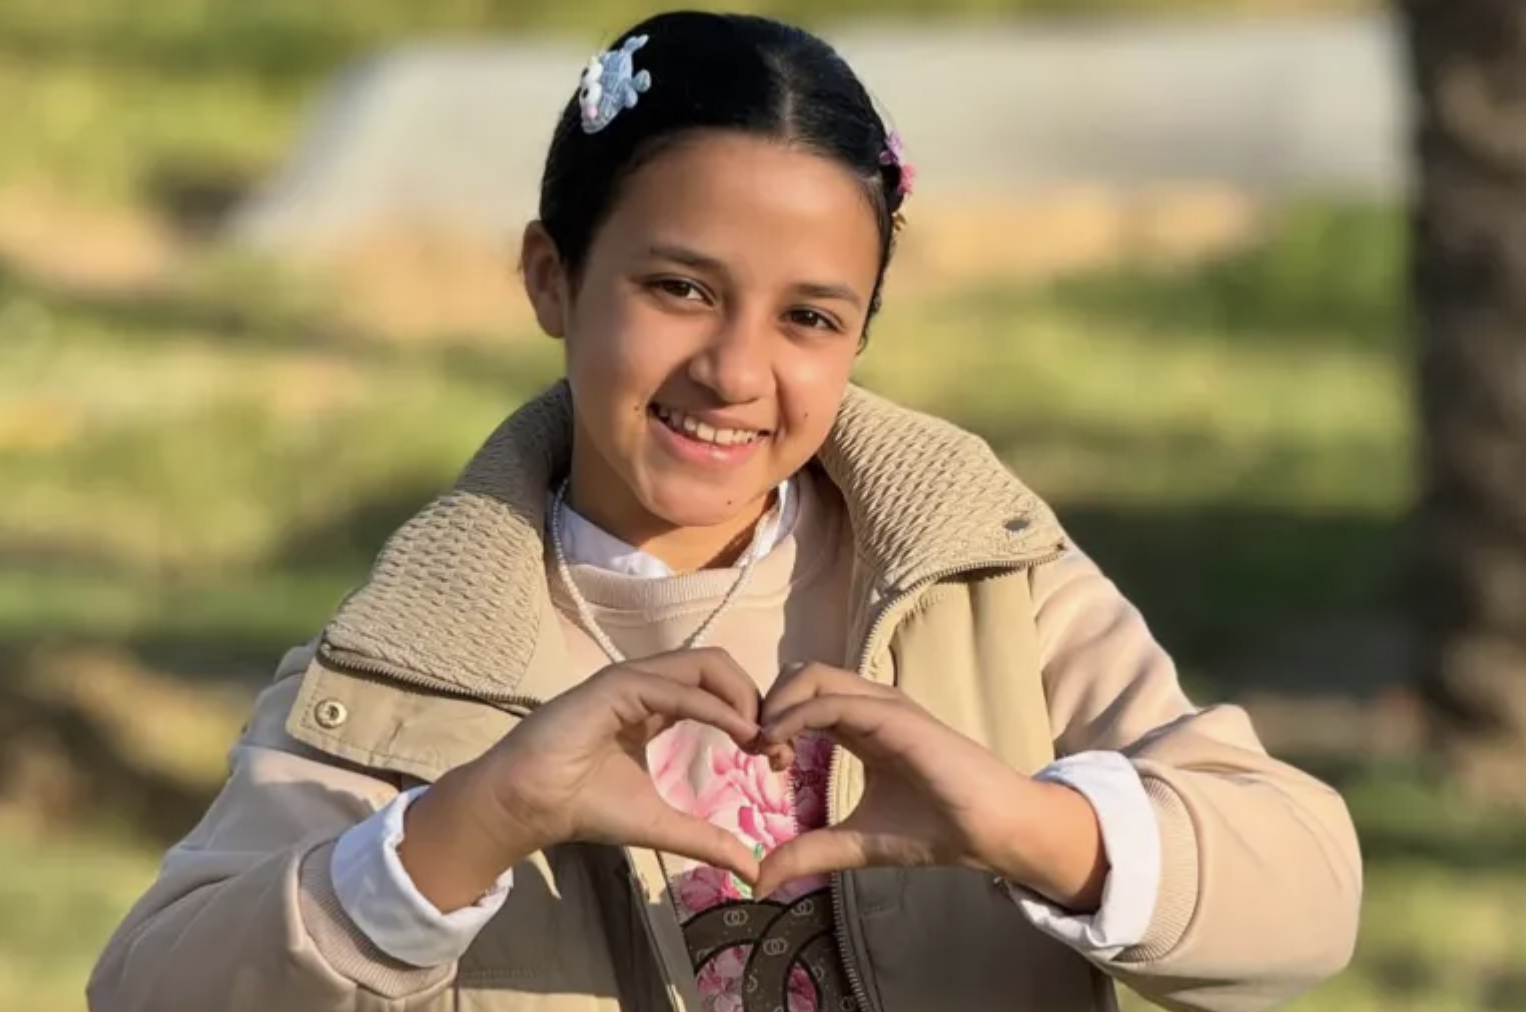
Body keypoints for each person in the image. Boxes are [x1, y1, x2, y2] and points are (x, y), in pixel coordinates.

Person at [88, 11, 1361, 1012]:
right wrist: (473, 822)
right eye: (679, 287)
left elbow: (1302, 902)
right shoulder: (413, 661)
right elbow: (154, 989)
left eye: (810, 316)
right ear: (552, 278)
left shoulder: (977, 576)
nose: (736, 371)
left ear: (862, 330)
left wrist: (1028, 825)